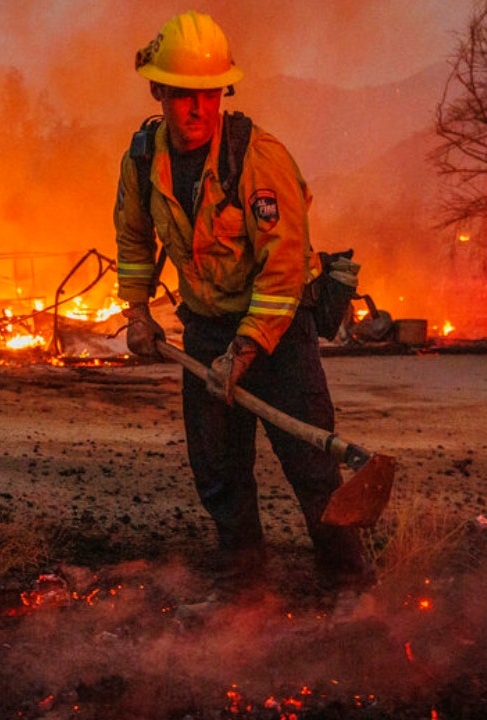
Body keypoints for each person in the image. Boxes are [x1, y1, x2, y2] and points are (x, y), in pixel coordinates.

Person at [113, 10, 372, 593]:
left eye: (209, 94)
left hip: (278, 333)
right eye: (183, 96)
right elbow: (133, 238)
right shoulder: (140, 159)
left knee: (312, 470)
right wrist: (137, 311)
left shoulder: (260, 160)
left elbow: (282, 276)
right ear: (158, 91)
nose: (198, 109)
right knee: (219, 472)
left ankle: (352, 591)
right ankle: (245, 594)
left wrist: (247, 352)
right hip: (205, 329)